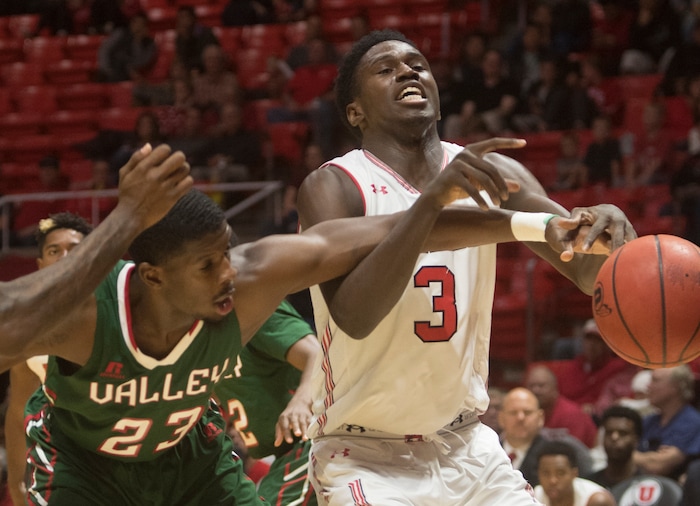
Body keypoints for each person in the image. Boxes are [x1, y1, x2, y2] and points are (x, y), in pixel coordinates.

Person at [5, 138, 608, 503]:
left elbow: (386, 231)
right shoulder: (84, 316)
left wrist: (534, 225)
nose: (226, 275)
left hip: (189, 461)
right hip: (86, 471)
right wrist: (125, 219)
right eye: (205, 265)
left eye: (226, 254)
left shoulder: (249, 279)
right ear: (154, 275)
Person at [296, 30, 637, 505]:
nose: (409, 72)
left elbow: (583, 269)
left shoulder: (493, 173)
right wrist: (430, 205)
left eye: (417, 64)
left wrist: (620, 238)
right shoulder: (335, 186)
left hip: (468, 447)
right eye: (386, 69)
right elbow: (353, 317)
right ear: (356, 112)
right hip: (365, 451)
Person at [5, 211, 93, 506]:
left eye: (75, 249)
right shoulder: (28, 329)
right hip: (70, 458)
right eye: (55, 251)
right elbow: (20, 410)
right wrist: (17, 481)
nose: (65, 257)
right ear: (40, 265)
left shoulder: (123, 307)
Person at [215, 299, 319, 505]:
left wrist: (302, 399)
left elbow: (319, 355)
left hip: (311, 438)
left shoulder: (250, 308)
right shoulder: (196, 339)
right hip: (281, 454)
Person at [499, 387, 593, 488]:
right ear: (501, 418)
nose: (520, 418)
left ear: (540, 418)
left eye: (527, 412)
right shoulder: (489, 450)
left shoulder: (557, 453)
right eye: (513, 412)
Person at [557, 318, 637, 417]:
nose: (592, 345)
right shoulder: (571, 368)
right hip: (570, 414)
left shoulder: (617, 367)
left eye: (598, 340)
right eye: (589, 339)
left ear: (607, 344)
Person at [634, 365, 700, 479]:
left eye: (655, 380)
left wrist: (628, 456)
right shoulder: (649, 421)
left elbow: (658, 466)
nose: (648, 386)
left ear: (675, 387)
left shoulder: (692, 422)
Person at [525, 365, 598, 448]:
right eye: (531, 386)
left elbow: (574, 452)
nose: (535, 390)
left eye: (541, 386)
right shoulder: (523, 414)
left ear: (555, 388)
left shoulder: (572, 414)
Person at [534, 440, 615, 506]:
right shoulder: (535, 496)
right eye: (545, 473)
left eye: (560, 473)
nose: (552, 480)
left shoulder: (597, 500)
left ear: (574, 474)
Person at [585, 405, 643, 490]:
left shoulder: (646, 485)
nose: (614, 437)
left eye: (623, 433)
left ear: (636, 440)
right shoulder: (589, 485)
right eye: (609, 432)